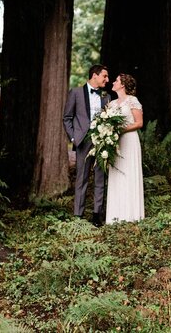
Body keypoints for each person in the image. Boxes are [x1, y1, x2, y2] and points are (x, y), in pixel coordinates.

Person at [63, 64, 110, 226]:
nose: (107, 80)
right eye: (104, 76)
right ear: (95, 75)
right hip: (83, 141)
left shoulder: (106, 96)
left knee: (100, 178)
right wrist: (74, 138)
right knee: (81, 179)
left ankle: (97, 215)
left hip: (102, 141)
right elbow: (67, 118)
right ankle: (78, 215)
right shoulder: (75, 92)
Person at [105, 73, 145, 224]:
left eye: (116, 80)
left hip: (129, 141)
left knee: (129, 172)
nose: (113, 82)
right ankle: (115, 216)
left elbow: (139, 123)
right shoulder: (111, 104)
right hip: (116, 143)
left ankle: (132, 215)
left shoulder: (132, 101)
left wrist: (121, 130)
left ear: (122, 84)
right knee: (117, 174)